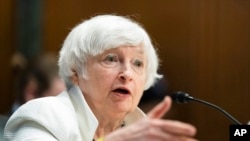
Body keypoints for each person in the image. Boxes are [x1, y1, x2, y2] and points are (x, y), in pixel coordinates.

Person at [4, 14, 197, 141]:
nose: (127, 74)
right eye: (111, 59)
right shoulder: (44, 115)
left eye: (137, 63)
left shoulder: (145, 130)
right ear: (76, 72)